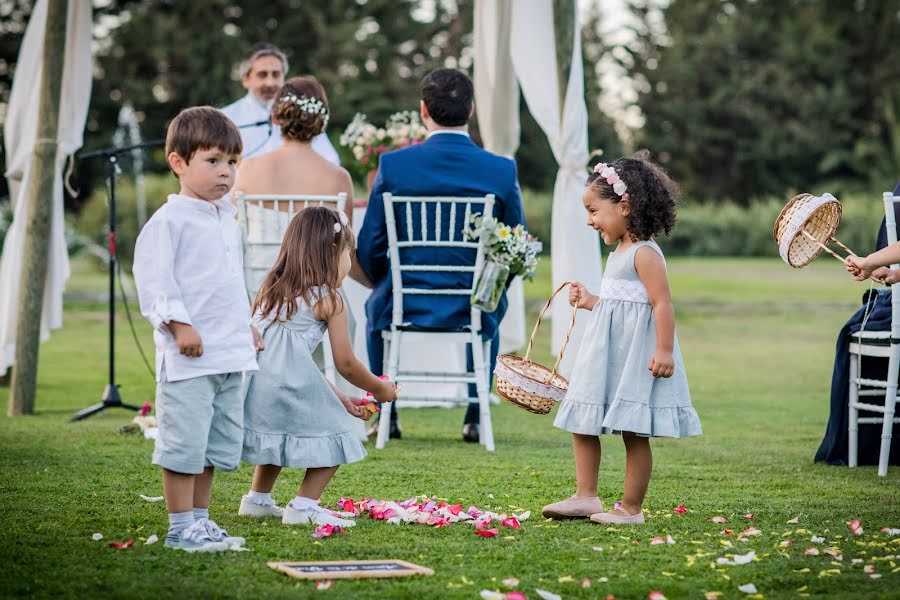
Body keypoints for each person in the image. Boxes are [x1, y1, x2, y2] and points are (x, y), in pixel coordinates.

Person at [356, 68, 525, 443]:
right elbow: (516, 246)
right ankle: (475, 415)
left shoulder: (394, 166)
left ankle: (386, 412)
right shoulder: (500, 169)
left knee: (373, 309)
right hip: (472, 301)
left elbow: (370, 242)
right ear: (471, 109)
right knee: (491, 298)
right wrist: (487, 286)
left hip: (405, 296)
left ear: (423, 111)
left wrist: (385, 279)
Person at [542, 152, 702, 525]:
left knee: (633, 431)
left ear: (625, 205)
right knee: (582, 419)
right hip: (605, 354)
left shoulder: (645, 254)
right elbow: (619, 305)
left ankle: (631, 509)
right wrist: (589, 302)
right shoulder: (619, 253)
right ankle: (585, 496)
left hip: (635, 356)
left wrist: (664, 350)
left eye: (594, 211)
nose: (589, 220)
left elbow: (661, 303)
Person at [132, 106, 264, 552]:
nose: (226, 172)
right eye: (213, 161)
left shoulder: (227, 219)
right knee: (185, 443)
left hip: (229, 354)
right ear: (178, 162)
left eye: (232, 162)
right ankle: (178, 525)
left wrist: (247, 326)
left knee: (213, 444)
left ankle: (201, 521)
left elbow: (232, 283)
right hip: (189, 360)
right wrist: (180, 325)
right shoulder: (169, 222)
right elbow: (155, 282)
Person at [238, 207, 396, 526]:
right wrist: (380, 388)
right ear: (332, 255)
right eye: (348, 255)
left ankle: (257, 498)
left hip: (256, 389)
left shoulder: (272, 290)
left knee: (280, 433)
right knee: (337, 431)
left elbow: (296, 362)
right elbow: (347, 364)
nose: (349, 264)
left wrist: (341, 397)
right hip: (285, 387)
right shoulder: (330, 300)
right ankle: (304, 506)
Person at [233, 76, 368, 285]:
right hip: (318, 301)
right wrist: (376, 283)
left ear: (275, 118)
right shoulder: (339, 178)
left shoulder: (246, 169)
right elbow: (346, 254)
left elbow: (232, 241)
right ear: (322, 121)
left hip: (259, 296)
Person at [221, 43, 339, 163]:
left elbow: (331, 160)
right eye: (262, 75)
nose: (270, 83)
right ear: (246, 80)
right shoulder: (225, 119)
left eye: (276, 75)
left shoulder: (302, 115)